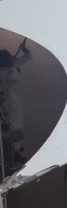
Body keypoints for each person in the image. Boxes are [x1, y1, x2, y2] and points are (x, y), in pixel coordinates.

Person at [0, 39, 33, 167]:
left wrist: (24, 49)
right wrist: (13, 65)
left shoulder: (11, 65)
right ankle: (14, 152)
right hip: (11, 104)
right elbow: (13, 77)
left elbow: (28, 57)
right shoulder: (3, 72)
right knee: (15, 126)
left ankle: (17, 149)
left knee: (20, 124)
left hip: (18, 101)